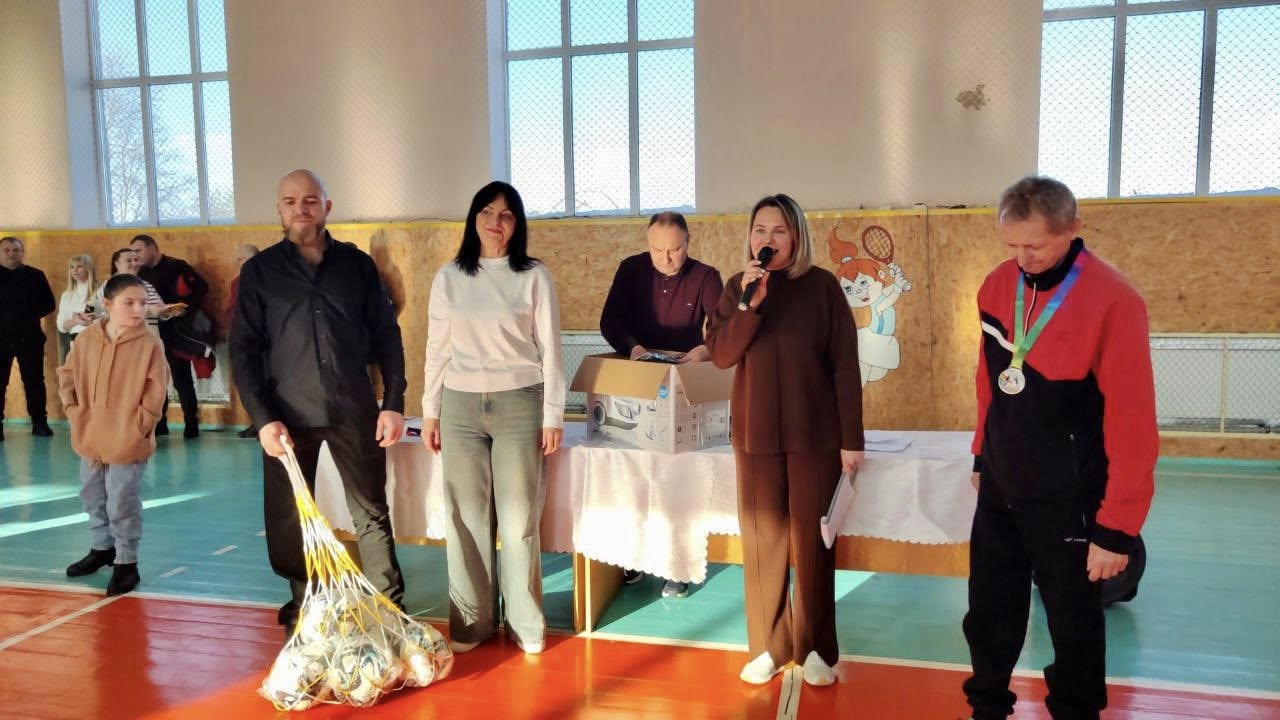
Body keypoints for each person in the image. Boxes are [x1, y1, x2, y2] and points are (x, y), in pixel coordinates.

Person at [963, 176, 1157, 720]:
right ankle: (987, 707)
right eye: (1012, 245)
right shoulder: (997, 285)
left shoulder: (1114, 300)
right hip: (1001, 484)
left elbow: (1133, 421)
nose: (1022, 259)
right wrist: (981, 453)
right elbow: (989, 380)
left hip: (1069, 496)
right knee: (989, 611)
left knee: (1073, 624)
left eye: (1036, 246)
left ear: (1073, 228)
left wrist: (1117, 528)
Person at [231, 169, 407, 639]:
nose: (301, 209)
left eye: (310, 200)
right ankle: (304, 600)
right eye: (290, 201)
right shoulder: (259, 272)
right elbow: (243, 352)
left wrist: (393, 401)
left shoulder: (357, 266)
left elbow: (387, 336)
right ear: (279, 209)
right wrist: (263, 419)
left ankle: (388, 604)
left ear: (327, 206)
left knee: (370, 511)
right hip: (286, 415)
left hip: (353, 408)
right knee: (291, 514)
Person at [706, 194, 864, 687]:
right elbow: (722, 355)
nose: (768, 239)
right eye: (760, 230)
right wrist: (749, 306)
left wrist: (852, 438)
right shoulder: (738, 288)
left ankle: (815, 647)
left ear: (796, 237)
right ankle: (767, 648)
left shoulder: (822, 287)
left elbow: (845, 366)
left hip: (815, 435)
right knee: (762, 542)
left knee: (812, 542)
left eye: (778, 231)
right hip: (755, 436)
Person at [421, 181, 565, 655]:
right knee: (466, 518)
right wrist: (430, 410)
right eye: (486, 211)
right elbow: (437, 349)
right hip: (460, 407)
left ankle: (525, 623)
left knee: (519, 518)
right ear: (473, 219)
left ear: (517, 224)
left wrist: (553, 414)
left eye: (506, 214)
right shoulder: (449, 277)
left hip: (520, 404)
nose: (495, 222)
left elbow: (550, 349)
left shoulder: (534, 276)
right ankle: (471, 624)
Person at [599, 211, 724, 597]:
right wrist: (634, 349)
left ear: (688, 242)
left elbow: (723, 329)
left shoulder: (706, 277)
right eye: (658, 250)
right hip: (638, 377)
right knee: (633, 476)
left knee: (676, 482)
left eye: (675, 250)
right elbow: (610, 321)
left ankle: (677, 566)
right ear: (647, 243)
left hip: (683, 382)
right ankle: (632, 559)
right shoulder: (631, 270)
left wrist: (705, 350)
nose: (667, 258)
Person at [57, 273, 170, 596]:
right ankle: (101, 547)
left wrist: (140, 426)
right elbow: (67, 373)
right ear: (107, 304)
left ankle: (126, 561)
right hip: (90, 434)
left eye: (142, 303)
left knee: (122, 500)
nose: (138, 310)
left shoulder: (150, 344)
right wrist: (72, 408)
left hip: (127, 437)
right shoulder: (87, 339)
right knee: (92, 495)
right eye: (129, 303)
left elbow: (156, 392)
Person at [131, 234, 208, 438]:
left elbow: (202, 287)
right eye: (132, 253)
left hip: (177, 330)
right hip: (154, 333)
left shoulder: (176, 266)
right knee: (157, 380)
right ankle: (160, 422)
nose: (136, 256)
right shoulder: (141, 273)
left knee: (181, 379)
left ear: (152, 247)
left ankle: (191, 423)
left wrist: (185, 309)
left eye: (138, 250)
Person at [0, 236, 56, 440]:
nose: (11, 254)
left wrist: (24, 314)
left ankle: (39, 422)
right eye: (6, 250)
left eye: (16, 250)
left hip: (30, 337)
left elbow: (49, 304)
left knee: (34, 381)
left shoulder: (35, 275)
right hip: (0, 339)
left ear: (22, 253)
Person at [223, 244, 259, 439]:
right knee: (246, 380)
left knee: (258, 380)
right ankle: (256, 421)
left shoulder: (262, 280)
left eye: (241, 259)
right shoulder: (238, 281)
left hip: (255, 338)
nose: (237, 263)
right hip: (239, 335)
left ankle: (262, 422)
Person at [93, 248, 171, 336]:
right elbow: (98, 314)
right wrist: (149, 309)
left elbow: (160, 312)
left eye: (136, 260)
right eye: (129, 260)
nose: (134, 263)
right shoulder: (109, 286)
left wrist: (167, 311)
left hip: (149, 338)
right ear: (117, 264)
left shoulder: (147, 285)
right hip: (123, 338)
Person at [56, 254, 99, 363]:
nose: (75, 270)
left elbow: (101, 317)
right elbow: (61, 326)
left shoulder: (99, 290)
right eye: (72, 267)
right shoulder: (67, 295)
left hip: (97, 340)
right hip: (75, 342)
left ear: (88, 268)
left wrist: (89, 320)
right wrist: (75, 321)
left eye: (79, 266)